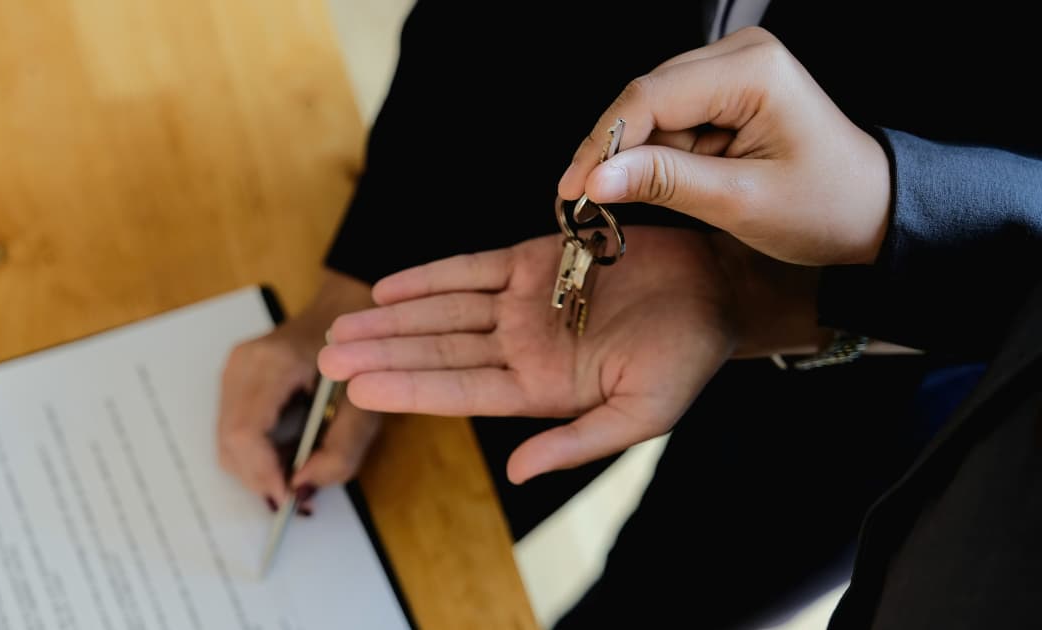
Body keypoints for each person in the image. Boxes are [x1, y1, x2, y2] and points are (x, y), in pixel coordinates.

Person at [218, 1, 1030, 626]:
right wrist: (361, 274)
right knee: (426, 533)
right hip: (545, 276)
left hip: (926, 369)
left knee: (668, 605)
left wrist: (882, 213)